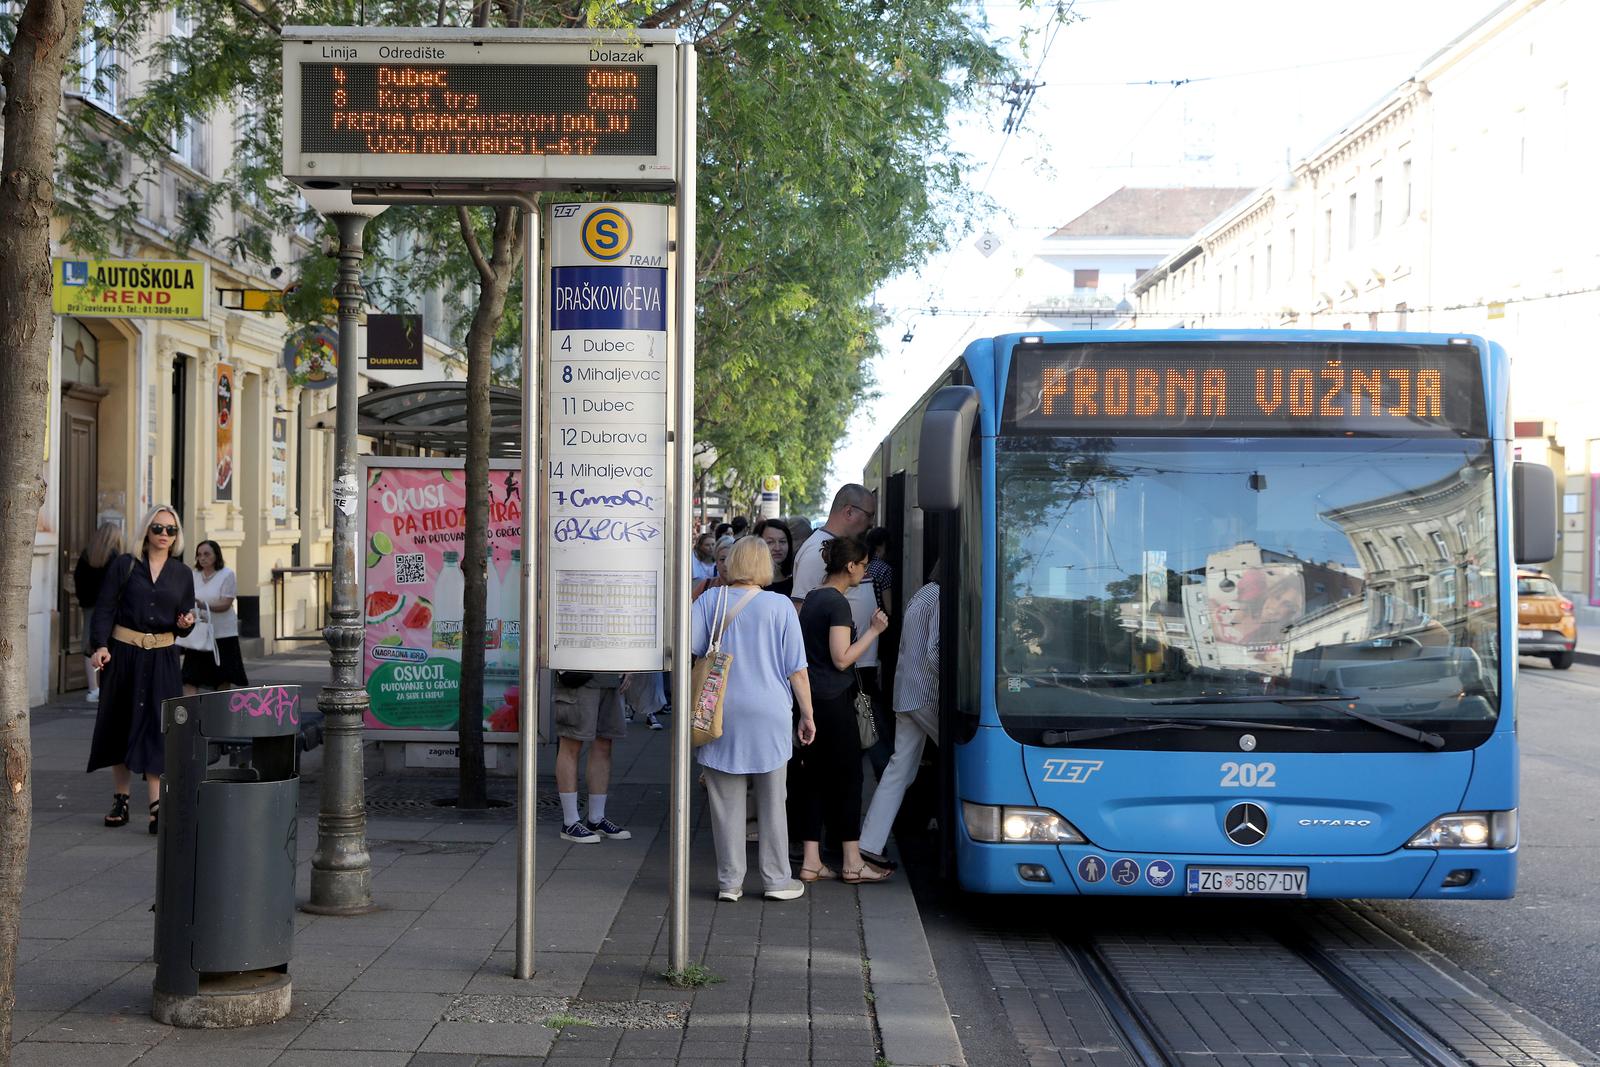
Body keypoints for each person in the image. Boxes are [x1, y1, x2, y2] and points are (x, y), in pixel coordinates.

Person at [692, 536, 815, 902]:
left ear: (730, 563)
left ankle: (730, 882)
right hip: (769, 713)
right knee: (773, 800)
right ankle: (777, 880)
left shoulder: (711, 601)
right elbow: (798, 670)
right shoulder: (780, 606)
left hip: (719, 710)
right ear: (765, 565)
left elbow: (692, 648)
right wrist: (807, 714)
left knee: (725, 801)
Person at [87, 506, 196, 833]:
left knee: (158, 728)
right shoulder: (124, 565)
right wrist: (100, 646)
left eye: (171, 530)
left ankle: (156, 806)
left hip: (162, 658)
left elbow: (185, 620)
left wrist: (186, 623)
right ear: (146, 530)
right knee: (119, 723)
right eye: (158, 528)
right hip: (123, 655)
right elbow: (105, 607)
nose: (164, 535)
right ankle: (121, 800)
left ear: (177, 536)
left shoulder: (182, 573)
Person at [791, 536, 891, 884]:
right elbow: (842, 657)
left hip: (809, 701)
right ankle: (851, 862)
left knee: (812, 779)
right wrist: (873, 632)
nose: (864, 572)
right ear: (850, 566)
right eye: (863, 566)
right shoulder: (837, 603)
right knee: (849, 778)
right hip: (834, 700)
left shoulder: (814, 598)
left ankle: (811, 861)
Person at [792, 486, 885, 773]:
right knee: (841, 764)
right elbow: (800, 613)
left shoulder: (833, 548)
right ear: (849, 512)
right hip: (835, 675)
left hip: (848, 670)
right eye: (869, 515)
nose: (871, 523)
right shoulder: (815, 553)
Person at [859, 576, 940, 870]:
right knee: (967, 758)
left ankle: (869, 843)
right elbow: (936, 653)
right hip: (928, 696)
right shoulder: (942, 597)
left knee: (899, 770)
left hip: (906, 693)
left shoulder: (923, 594)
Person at [553, 671, 632, 843]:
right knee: (571, 743)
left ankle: (596, 818)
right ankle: (570, 822)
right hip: (580, 672)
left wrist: (629, 665)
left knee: (604, 745)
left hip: (611, 673)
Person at [182, 539, 250, 695]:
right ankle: (191, 713)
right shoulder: (194, 575)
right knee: (190, 678)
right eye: (199, 555)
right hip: (199, 633)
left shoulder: (227, 574)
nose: (202, 558)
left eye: (207, 554)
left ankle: (219, 712)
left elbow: (226, 604)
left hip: (222, 634)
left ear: (216, 555)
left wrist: (202, 605)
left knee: (222, 678)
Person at [73, 521, 124, 703]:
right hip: (109, 607)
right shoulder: (116, 558)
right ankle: (107, 686)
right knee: (107, 643)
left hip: (88, 605)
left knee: (89, 645)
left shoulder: (87, 555)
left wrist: (83, 599)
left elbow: (77, 579)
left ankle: (93, 688)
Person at [755, 518, 795, 598]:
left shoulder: (796, 582)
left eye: (782, 541)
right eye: (770, 542)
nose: (777, 548)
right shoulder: (751, 585)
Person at [693, 535, 736, 600]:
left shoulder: (748, 589)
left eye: (731, 559)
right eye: (722, 559)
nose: (726, 564)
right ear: (716, 563)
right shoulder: (705, 585)